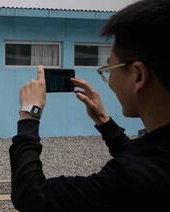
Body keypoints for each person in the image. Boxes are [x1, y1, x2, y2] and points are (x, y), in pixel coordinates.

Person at [10, 0, 170, 211]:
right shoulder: (153, 160)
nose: (109, 80)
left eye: (110, 68)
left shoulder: (130, 176)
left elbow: (32, 196)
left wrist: (29, 114)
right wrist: (105, 123)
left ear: (138, 75)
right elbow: (143, 155)